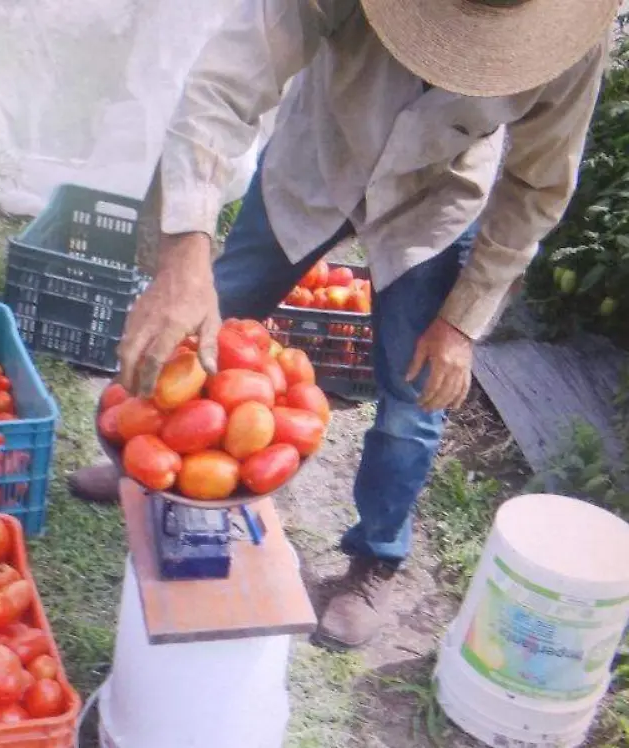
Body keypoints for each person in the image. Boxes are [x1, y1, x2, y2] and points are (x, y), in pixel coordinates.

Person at [68, 0, 616, 649]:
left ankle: (375, 559)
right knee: (206, 319)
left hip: (431, 204)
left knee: (413, 398)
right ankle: (151, 462)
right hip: (316, 159)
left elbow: (538, 187)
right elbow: (227, 81)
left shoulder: (569, 37)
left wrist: (463, 322)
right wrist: (184, 249)